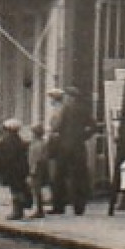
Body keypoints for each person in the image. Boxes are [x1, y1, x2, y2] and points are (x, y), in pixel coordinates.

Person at [50, 87, 93, 216]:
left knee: (59, 176)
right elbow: (94, 126)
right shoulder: (84, 110)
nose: (66, 99)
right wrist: (84, 136)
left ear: (70, 97)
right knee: (79, 176)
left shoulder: (65, 110)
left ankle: (58, 206)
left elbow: (56, 126)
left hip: (64, 147)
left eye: (67, 97)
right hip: (79, 147)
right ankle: (79, 207)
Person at [0, 118, 31, 220]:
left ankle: (17, 211)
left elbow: (6, 157)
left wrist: (1, 168)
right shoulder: (18, 139)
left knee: (15, 190)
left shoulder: (7, 141)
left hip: (12, 169)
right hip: (20, 169)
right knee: (18, 188)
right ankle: (19, 210)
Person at [27, 121, 51, 219]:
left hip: (37, 168)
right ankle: (39, 209)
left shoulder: (38, 144)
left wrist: (33, 170)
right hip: (38, 167)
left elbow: (37, 159)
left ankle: (39, 210)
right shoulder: (41, 143)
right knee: (36, 190)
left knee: (36, 190)